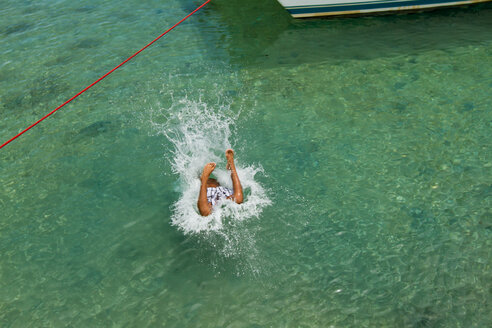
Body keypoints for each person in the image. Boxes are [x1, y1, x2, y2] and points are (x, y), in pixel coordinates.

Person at [198, 149, 243, 216]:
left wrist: (204, 179)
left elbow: (204, 212)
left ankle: (203, 179)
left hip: (209, 189)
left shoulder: (211, 207)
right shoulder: (227, 201)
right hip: (222, 192)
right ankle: (231, 165)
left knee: (205, 213)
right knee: (239, 199)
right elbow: (238, 198)